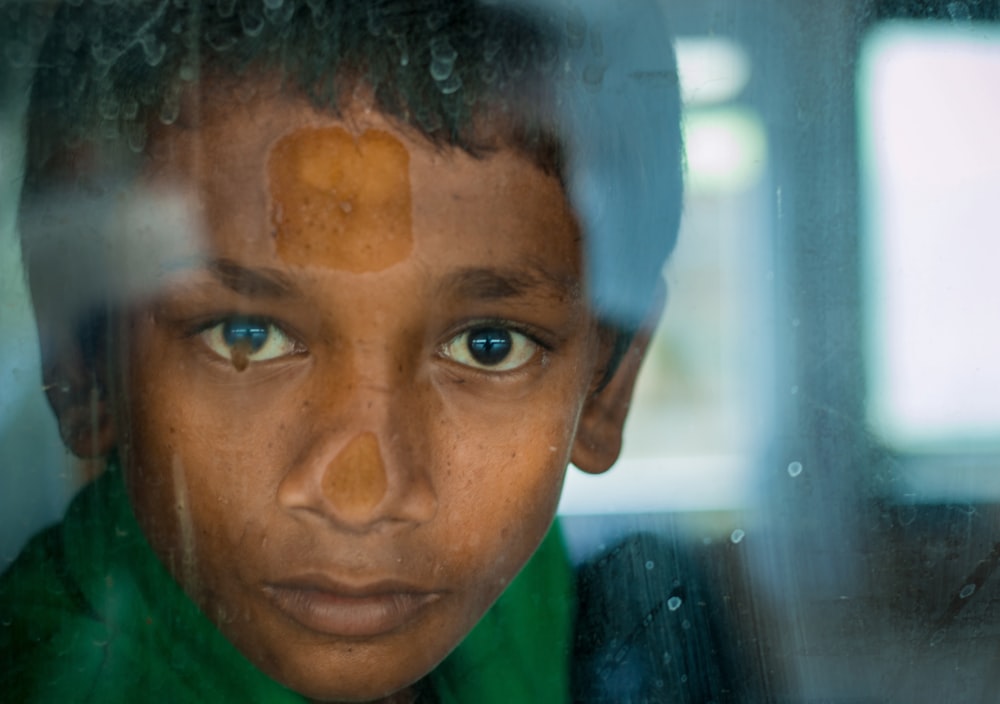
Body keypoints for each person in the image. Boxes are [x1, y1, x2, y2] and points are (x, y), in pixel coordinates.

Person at [0, 0, 683, 701]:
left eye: (488, 347)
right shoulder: (58, 677)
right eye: (246, 337)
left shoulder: (508, 586)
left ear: (606, 388)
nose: (362, 498)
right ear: (82, 364)